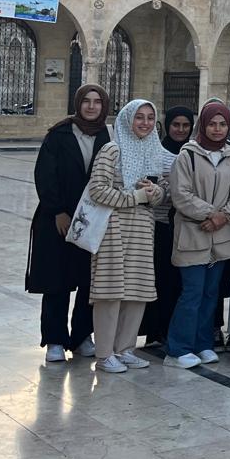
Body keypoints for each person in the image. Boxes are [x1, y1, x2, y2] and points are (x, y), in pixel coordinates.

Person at [85, 98, 172, 373]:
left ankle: (125, 349)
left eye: (149, 118)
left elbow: (163, 191)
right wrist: (136, 196)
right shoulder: (112, 150)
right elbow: (97, 189)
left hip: (143, 229)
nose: (145, 123)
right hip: (113, 228)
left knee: (137, 290)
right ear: (127, 119)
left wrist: (157, 193)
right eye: (139, 117)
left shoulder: (156, 151)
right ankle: (104, 354)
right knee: (110, 292)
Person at [27, 84, 111, 362]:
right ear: (77, 103)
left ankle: (82, 336)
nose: (91, 106)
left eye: (97, 102)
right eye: (86, 101)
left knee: (89, 281)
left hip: (93, 220)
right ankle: (54, 339)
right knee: (57, 281)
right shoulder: (60, 134)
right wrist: (58, 211)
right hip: (58, 221)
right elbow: (45, 175)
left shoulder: (108, 137)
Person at [165, 103, 230, 369]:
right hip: (193, 234)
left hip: (221, 238)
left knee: (211, 293)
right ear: (204, 126)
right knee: (192, 292)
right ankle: (178, 348)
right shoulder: (187, 156)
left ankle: (202, 343)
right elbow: (181, 194)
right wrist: (211, 214)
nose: (218, 129)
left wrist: (223, 217)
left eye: (222, 124)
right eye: (213, 124)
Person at [142, 106, 195, 348]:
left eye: (186, 125)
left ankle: (174, 329)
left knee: (178, 282)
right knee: (159, 280)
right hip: (160, 225)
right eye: (176, 125)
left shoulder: (193, 152)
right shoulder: (157, 152)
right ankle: (155, 330)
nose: (181, 130)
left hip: (184, 226)